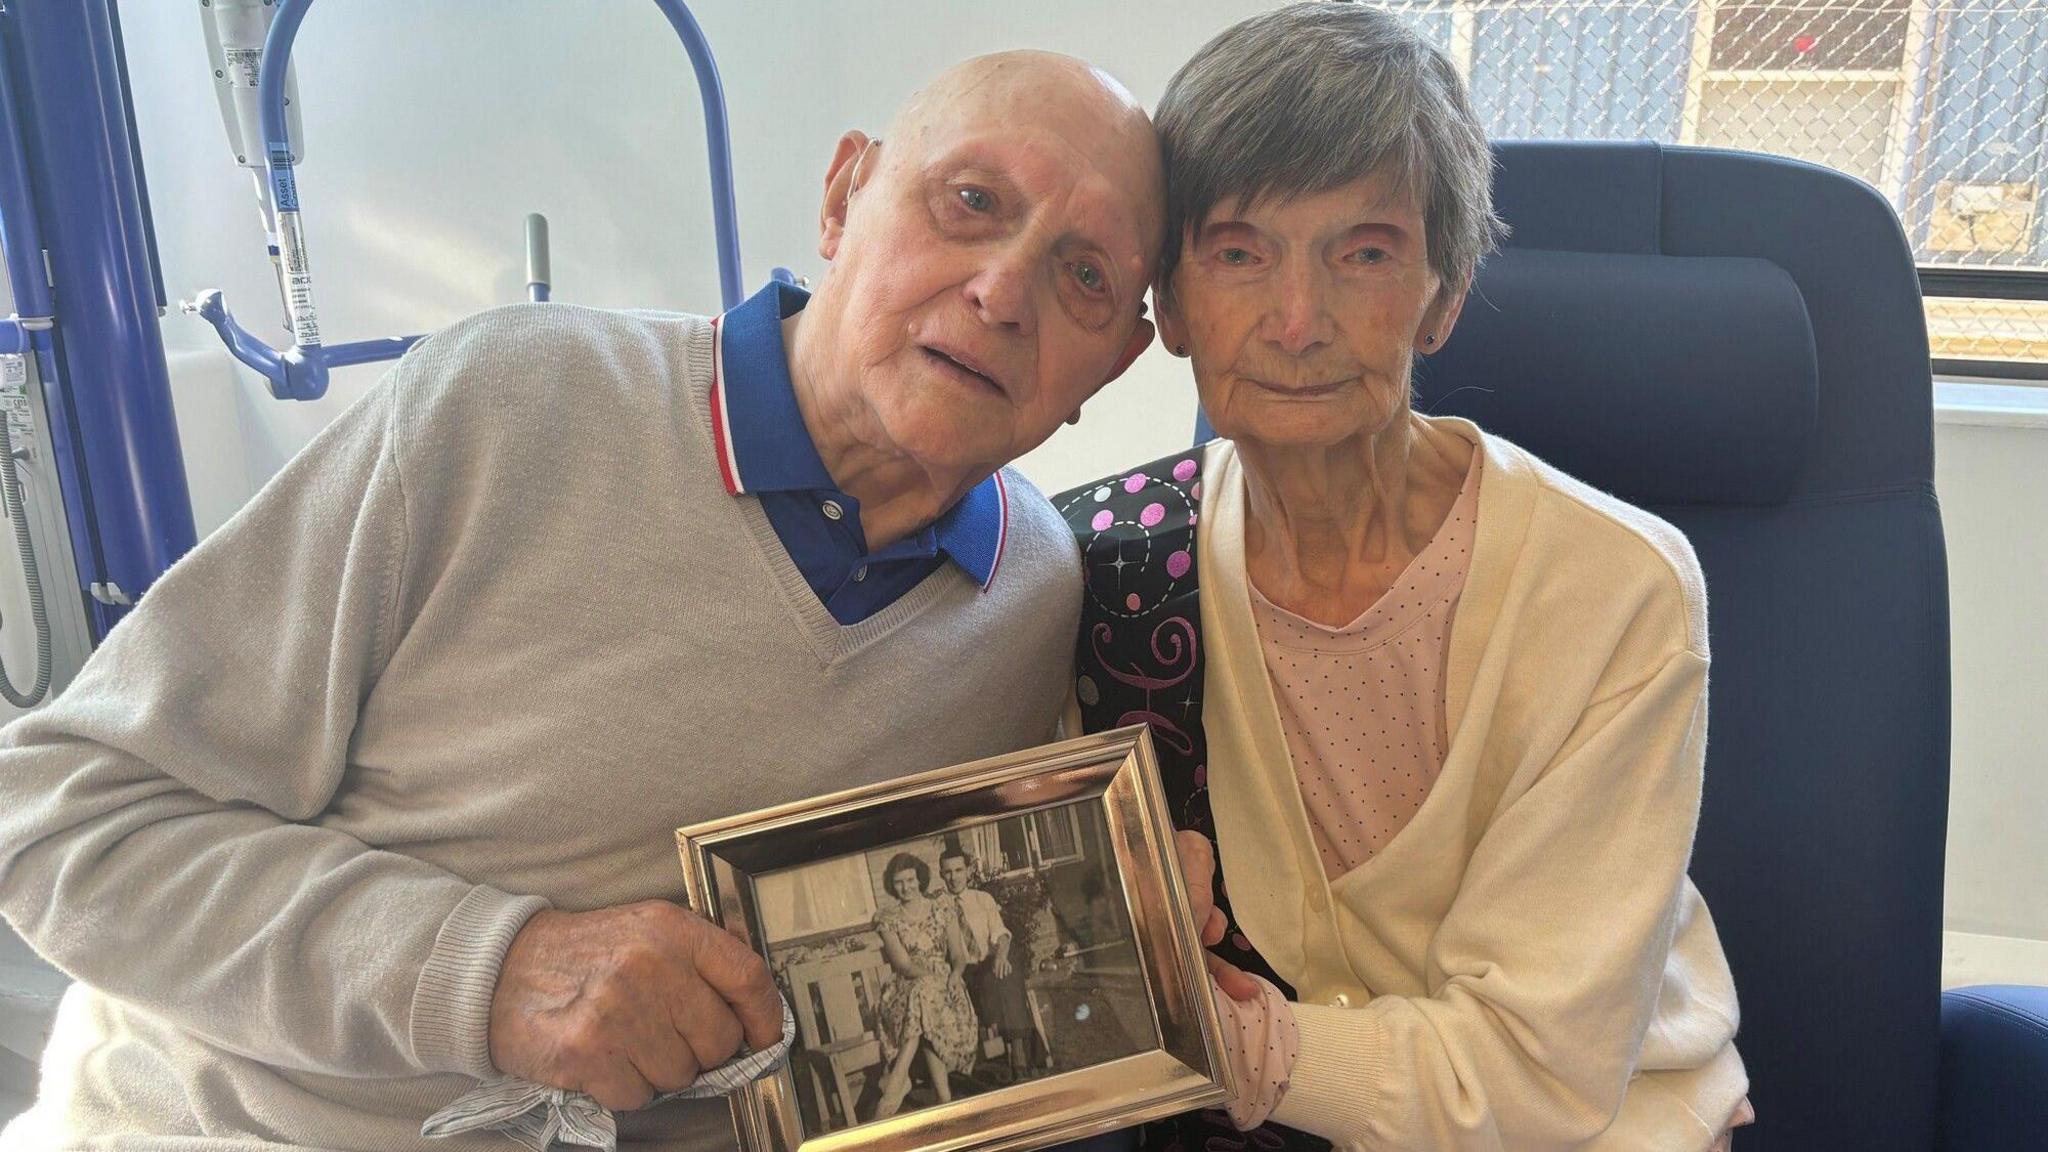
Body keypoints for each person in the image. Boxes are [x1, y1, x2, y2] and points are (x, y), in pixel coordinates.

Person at [0, 50, 1164, 1152]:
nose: (1005, 291)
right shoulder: (508, 406)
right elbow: (60, 817)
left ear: (1109, 364)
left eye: (1085, 277)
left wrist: (1136, 915)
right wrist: (487, 973)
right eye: (967, 200)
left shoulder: (1030, 594)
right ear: (843, 193)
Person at [1064, 6, 1753, 1150]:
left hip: (1594, 1125)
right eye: (1237, 251)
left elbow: (1537, 1074)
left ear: (1442, 292)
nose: (1296, 322)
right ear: (1169, 304)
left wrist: (1211, 1039)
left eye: (1362, 253)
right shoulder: (1112, 566)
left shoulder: (1613, 589)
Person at [871, 853, 978, 1120]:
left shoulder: (942, 908)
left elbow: (957, 955)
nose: (906, 886)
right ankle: (938, 1095)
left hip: (943, 985)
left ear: (920, 877)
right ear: (891, 885)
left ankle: (898, 1082)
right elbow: (904, 965)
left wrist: (955, 975)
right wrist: (933, 979)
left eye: (910, 879)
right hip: (904, 988)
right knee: (923, 993)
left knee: (927, 1000)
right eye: (899, 882)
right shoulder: (888, 918)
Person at [938, 846, 1036, 1081]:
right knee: (999, 978)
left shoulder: (983, 899)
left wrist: (1001, 955)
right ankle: (1018, 1050)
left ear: (969, 870)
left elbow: (1000, 933)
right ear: (941, 874)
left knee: (1005, 967)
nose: (954, 877)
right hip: (965, 971)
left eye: (959, 870)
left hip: (991, 964)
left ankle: (1016, 1051)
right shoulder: (938, 907)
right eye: (948, 872)